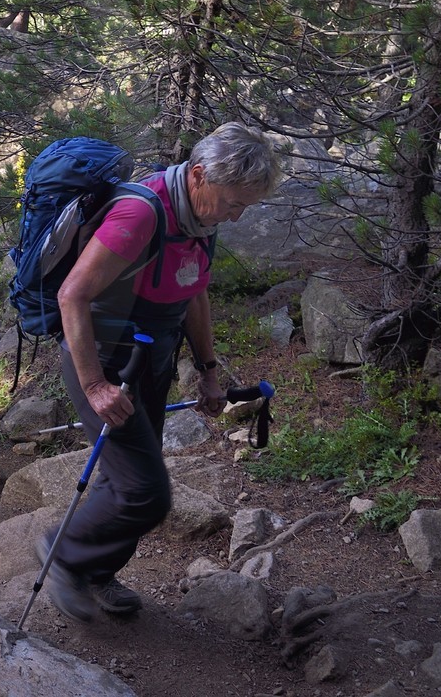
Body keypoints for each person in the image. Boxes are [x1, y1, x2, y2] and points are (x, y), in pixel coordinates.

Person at [35, 121, 283, 621]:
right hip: (104, 361)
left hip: (150, 360)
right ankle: (63, 556)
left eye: (245, 207)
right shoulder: (141, 213)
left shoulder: (198, 220)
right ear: (199, 176)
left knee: (123, 476)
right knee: (146, 492)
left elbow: (194, 294)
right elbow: (72, 295)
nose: (236, 216)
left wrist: (208, 371)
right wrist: (94, 385)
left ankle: (96, 572)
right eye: (234, 203)